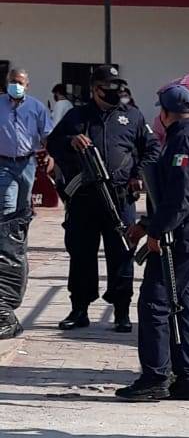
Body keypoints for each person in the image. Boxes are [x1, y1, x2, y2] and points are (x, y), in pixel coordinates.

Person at [116, 84, 189, 402]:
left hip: (182, 237)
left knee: (155, 304)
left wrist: (157, 232)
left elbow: (180, 197)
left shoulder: (185, 141)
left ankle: (155, 377)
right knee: (182, 305)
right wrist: (148, 224)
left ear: (165, 113)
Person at [47, 65, 159, 333]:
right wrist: (71, 141)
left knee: (121, 253)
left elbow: (152, 148)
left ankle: (121, 312)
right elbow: (53, 143)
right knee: (81, 255)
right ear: (94, 89)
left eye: (117, 87)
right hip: (84, 199)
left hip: (120, 199)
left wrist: (137, 174)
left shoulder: (131, 116)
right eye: (107, 88)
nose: (114, 93)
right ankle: (79, 309)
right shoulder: (77, 116)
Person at [0, 68, 52, 217]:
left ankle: (20, 240)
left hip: (27, 164)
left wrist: (51, 155)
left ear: (27, 86)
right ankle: (6, 240)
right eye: (12, 82)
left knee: (23, 210)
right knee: (7, 208)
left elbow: (47, 134)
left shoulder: (37, 107)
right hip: (3, 164)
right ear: (7, 83)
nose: (16, 85)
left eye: (19, 82)